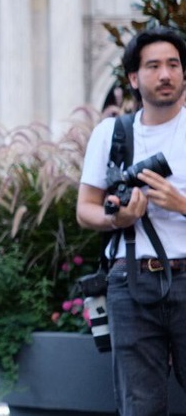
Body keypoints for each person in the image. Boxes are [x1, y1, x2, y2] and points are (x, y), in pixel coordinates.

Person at [77, 27, 186, 416]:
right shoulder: (112, 133)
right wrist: (118, 218)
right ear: (134, 78)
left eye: (174, 65)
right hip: (130, 281)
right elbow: (85, 208)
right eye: (153, 65)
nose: (165, 74)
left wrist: (180, 203)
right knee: (138, 406)